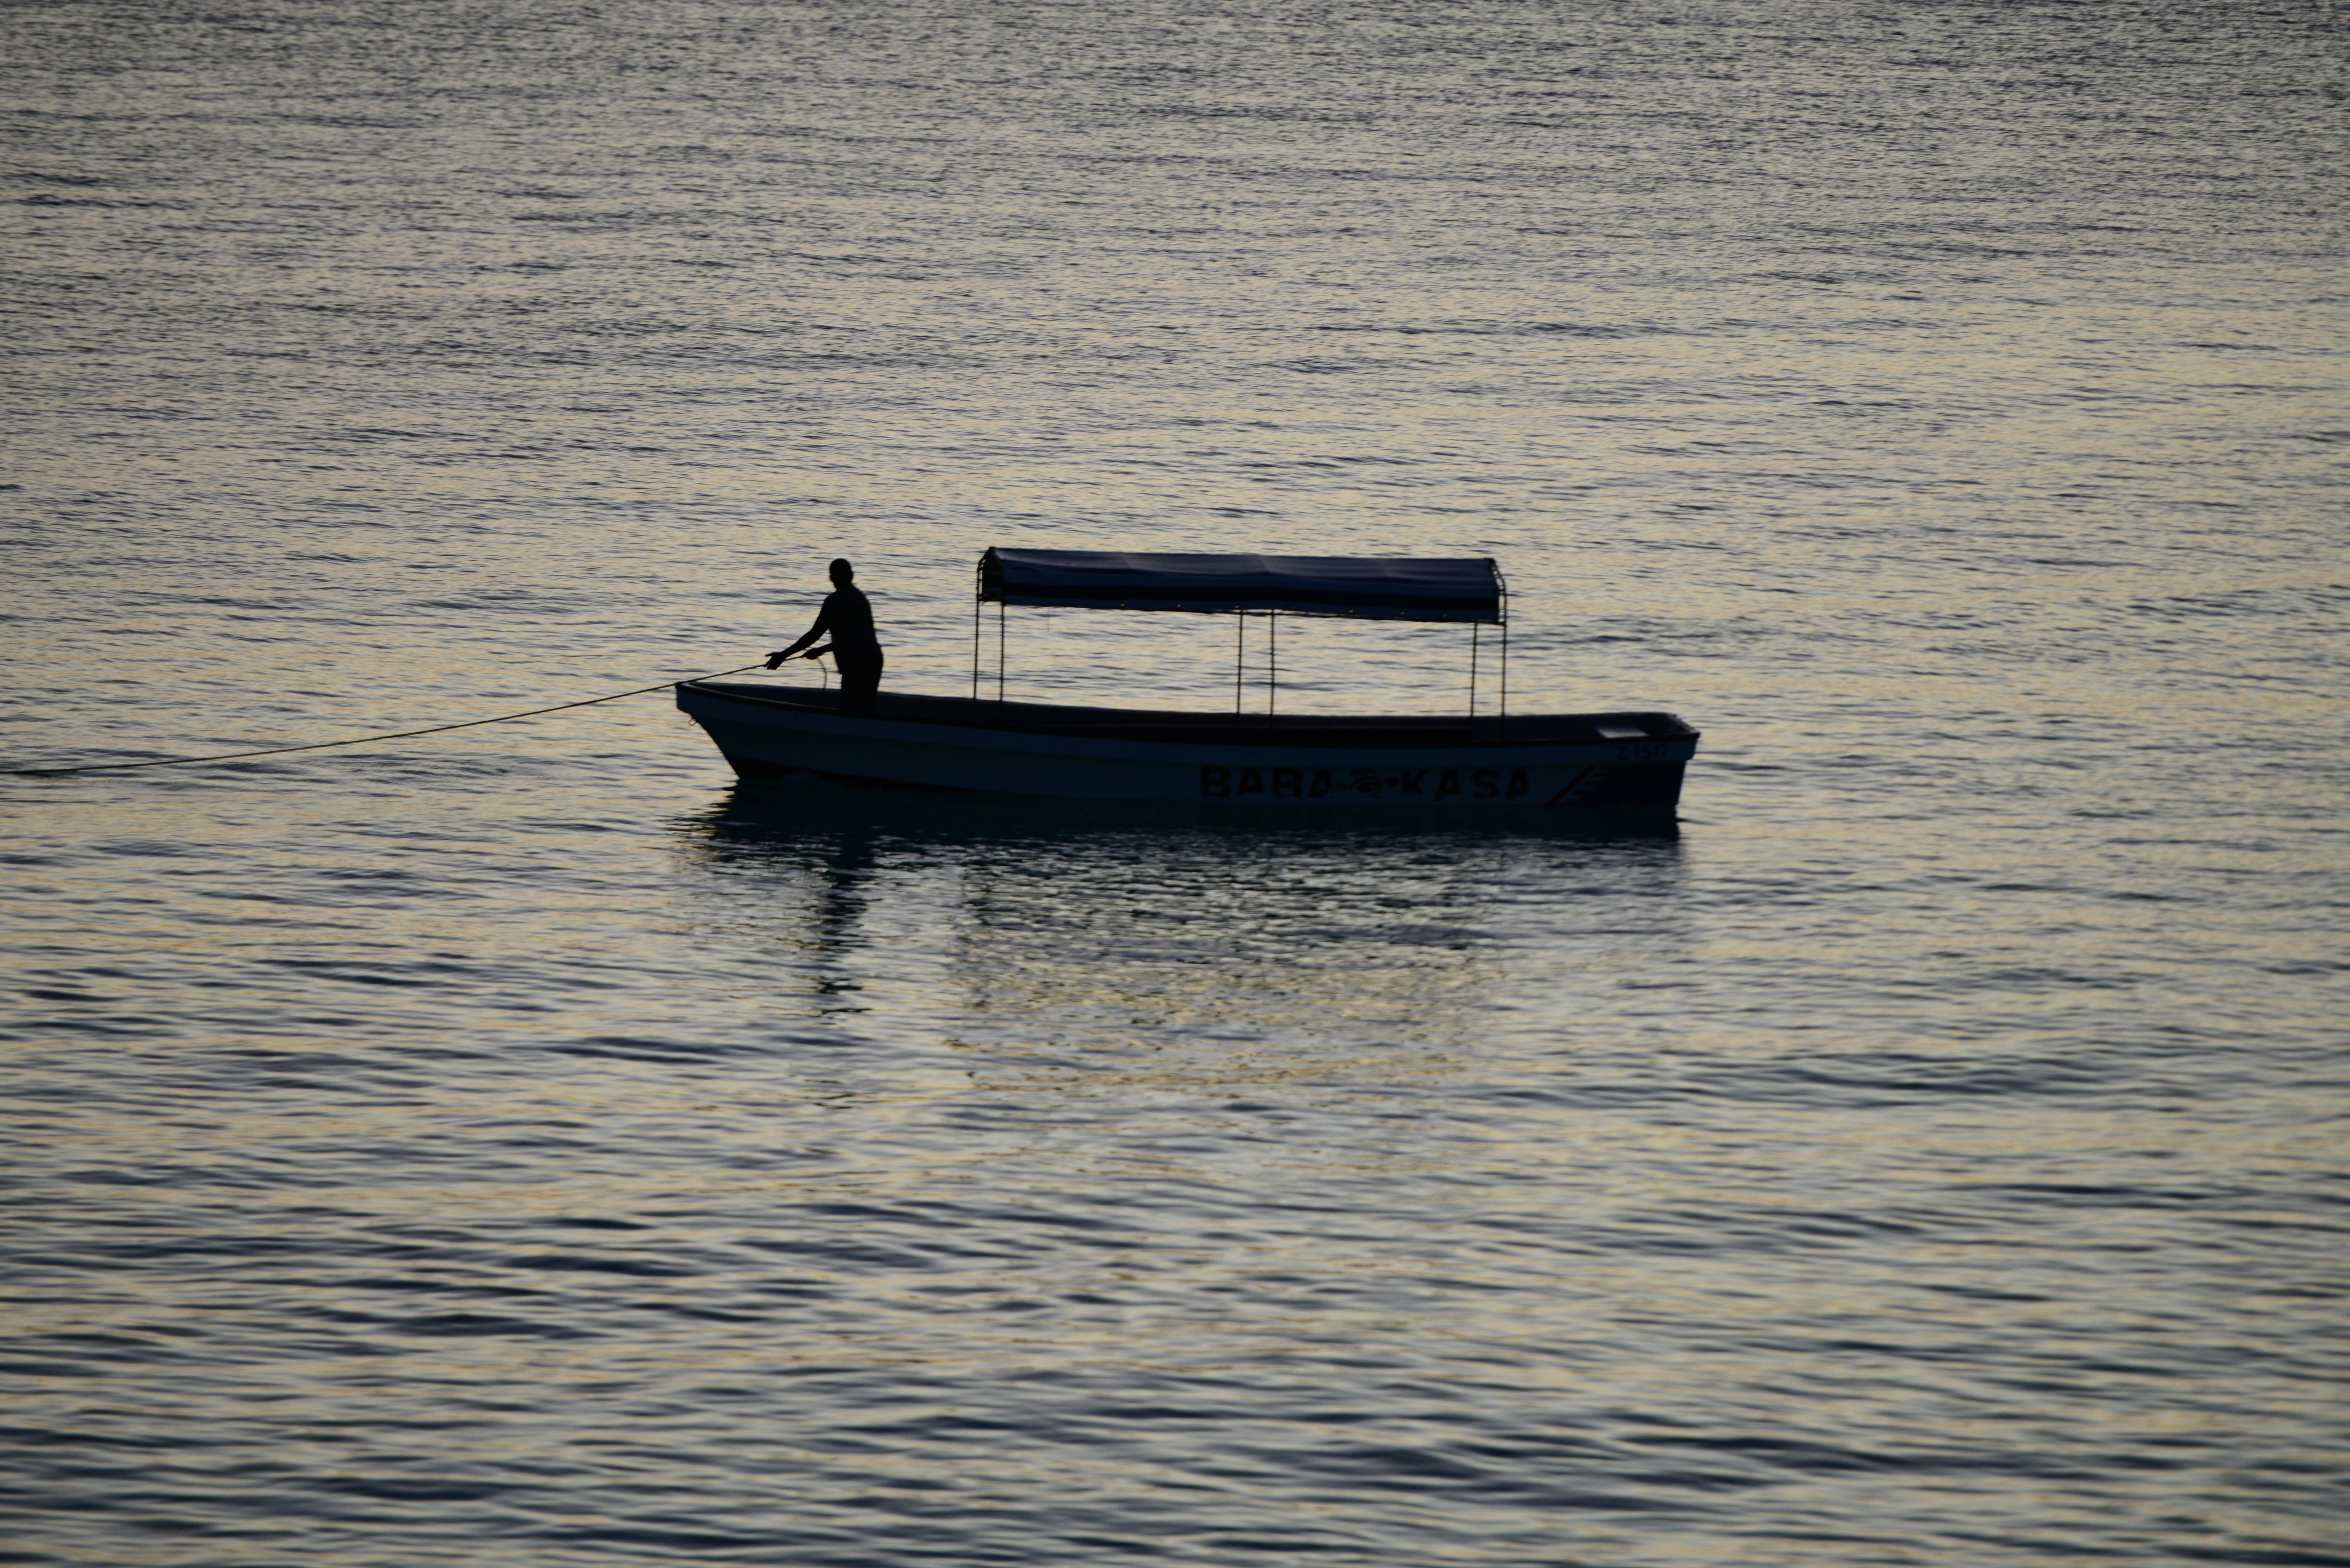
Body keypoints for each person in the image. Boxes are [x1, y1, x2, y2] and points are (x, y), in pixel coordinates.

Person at [767, 558, 884, 714]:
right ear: (852, 576)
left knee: (851, 712)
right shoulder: (860, 598)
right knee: (864, 711)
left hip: (858, 664)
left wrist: (784, 655)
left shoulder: (835, 601)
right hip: (874, 660)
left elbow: (815, 634)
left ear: (832, 578)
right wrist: (821, 650)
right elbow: (857, 638)